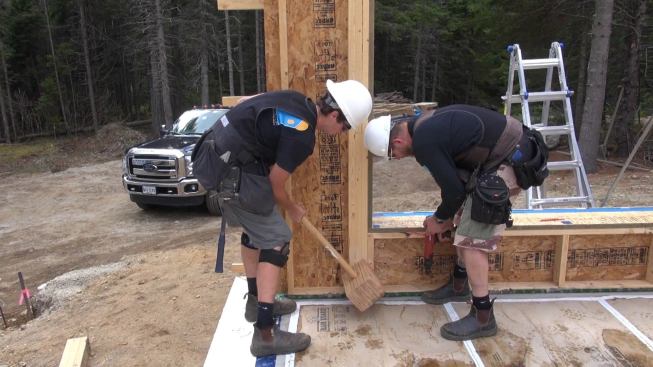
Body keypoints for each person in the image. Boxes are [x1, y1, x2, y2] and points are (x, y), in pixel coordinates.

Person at [196, 80, 372, 356]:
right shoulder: (302, 136)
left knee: (259, 230)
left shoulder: (296, 100)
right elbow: (276, 183)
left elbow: (248, 102)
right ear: (335, 115)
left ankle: (256, 302)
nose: (340, 133)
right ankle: (265, 334)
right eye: (344, 127)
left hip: (216, 155)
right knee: (277, 238)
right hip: (227, 172)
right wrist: (292, 208)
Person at [364, 104, 541, 341]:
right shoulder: (423, 124)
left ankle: (483, 316)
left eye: (392, 156)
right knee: (461, 221)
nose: (396, 158)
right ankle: (459, 286)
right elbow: (454, 187)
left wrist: (439, 219)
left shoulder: (424, 141)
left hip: (513, 157)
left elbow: (454, 191)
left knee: (472, 240)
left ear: (396, 143)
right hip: (499, 156)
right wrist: (446, 217)